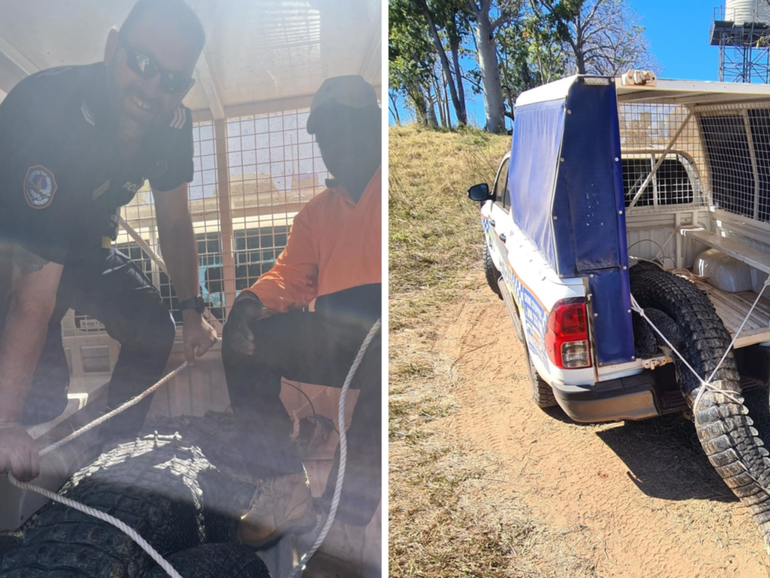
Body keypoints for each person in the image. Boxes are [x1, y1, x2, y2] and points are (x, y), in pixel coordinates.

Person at [0, 0, 218, 483]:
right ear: (112, 48)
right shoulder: (50, 112)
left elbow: (176, 222)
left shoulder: (173, 125)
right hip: (16, 244)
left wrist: (191, 309)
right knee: (37, 397)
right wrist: (7, 423)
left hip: (83, 243)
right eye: (142, 63)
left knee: (154, 329)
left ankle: (108, 447)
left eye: (171, 81)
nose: (151, 88)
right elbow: (33, 298)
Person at [221, 75, 382, 566]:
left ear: (375, 124)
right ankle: (284, 486)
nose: (335, 143)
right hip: (337, 335)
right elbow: (290, 274)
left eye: (347, 127)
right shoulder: (316, 214)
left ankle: (345, 530)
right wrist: (249, 303)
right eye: (325, 133)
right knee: (243, 342)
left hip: (386, 331)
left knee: (383, 391)